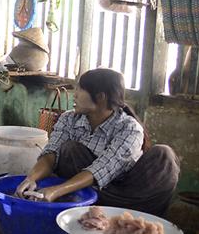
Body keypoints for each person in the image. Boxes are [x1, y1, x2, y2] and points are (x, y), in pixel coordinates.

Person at [16, 68, 180, 216]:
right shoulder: (69, 119)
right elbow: (51, 153)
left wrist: (55, 191)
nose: (75, 94)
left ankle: (136, 220)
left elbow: (103, 168)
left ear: (101, 97)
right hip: (87, 191)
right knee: (69, 149)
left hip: (126, 195)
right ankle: (83, 209)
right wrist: (31, 178)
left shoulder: (129, 128)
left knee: (164, 155)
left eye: (80, 89)